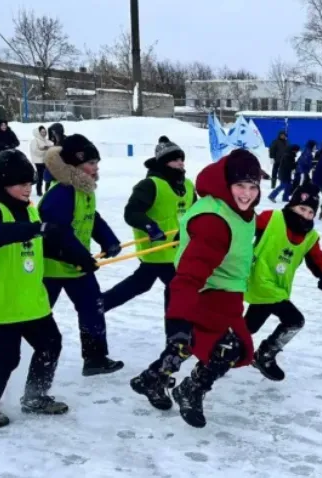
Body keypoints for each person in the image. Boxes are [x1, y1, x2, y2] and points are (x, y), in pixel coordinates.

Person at [129, 149, 263, 428]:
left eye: (253, 187)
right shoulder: (215, 221)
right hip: (203, 291)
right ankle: (191, 389)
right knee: (231, 347)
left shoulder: (239, 210)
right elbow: (189, 276)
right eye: (240, 185)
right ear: (227, 185)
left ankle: (153, 379)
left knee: (193, 343)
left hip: (225, 290)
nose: (247, 193)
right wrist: (179, 319)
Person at [0, 150, 91, 428]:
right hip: (0, 302)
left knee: (50, 344)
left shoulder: (30, 209)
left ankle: (35, 396)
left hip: (31, 301)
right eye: (21, 183)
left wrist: (79, 258)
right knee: (7, 357)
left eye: (30, 183)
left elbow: (42, 245)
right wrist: (35, 228)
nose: (27, 188)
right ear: (5, 182)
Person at [39, 134, 124, 376]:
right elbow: (56, 234)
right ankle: (11, 352)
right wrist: (80, 257)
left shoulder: (84, 189)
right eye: (91, 163)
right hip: (53, 267)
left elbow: (91, 218)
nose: (96, 168)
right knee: (38, 315)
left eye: (97, 162)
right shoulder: (61, 193)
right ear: (75, 165)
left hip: (77, 265)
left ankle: (95, 358)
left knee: (92, 307)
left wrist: (109, 240)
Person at [245, 183, 322, 381]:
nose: (305, 215)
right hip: (258, 280)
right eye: (301, 208)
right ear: (292, 206)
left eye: (310, 212)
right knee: (294, 320)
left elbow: (316, 256)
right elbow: (244, 227)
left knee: (248, 327)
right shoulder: (272, 218)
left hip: (277, 287)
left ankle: (218, 350)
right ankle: (264, 355)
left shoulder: (309, 236)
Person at [102, 141, 196, 327]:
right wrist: (150, 227)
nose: (180, 163)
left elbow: (195, 211)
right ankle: (176, 334)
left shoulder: (187, 184)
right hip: (157, 249)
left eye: (181, 159)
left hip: (178, 249)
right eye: (175, 160)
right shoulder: (149, 185)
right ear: (163, 162)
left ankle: (98, 304)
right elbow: (131, 213)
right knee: (177, 287)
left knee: (142, 283)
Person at [29, 125, 53, 196]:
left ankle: (47, 190)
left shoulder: (45, 140)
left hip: (45, 161)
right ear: (38, 132)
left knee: (47, 176)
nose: (43, 133)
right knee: (40, 177)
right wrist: (45, 150)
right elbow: (35, 151)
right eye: (42, 132)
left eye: (45, 132)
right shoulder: (35, 140)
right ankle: (39, 192)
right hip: (38, 162)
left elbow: (52, 145)